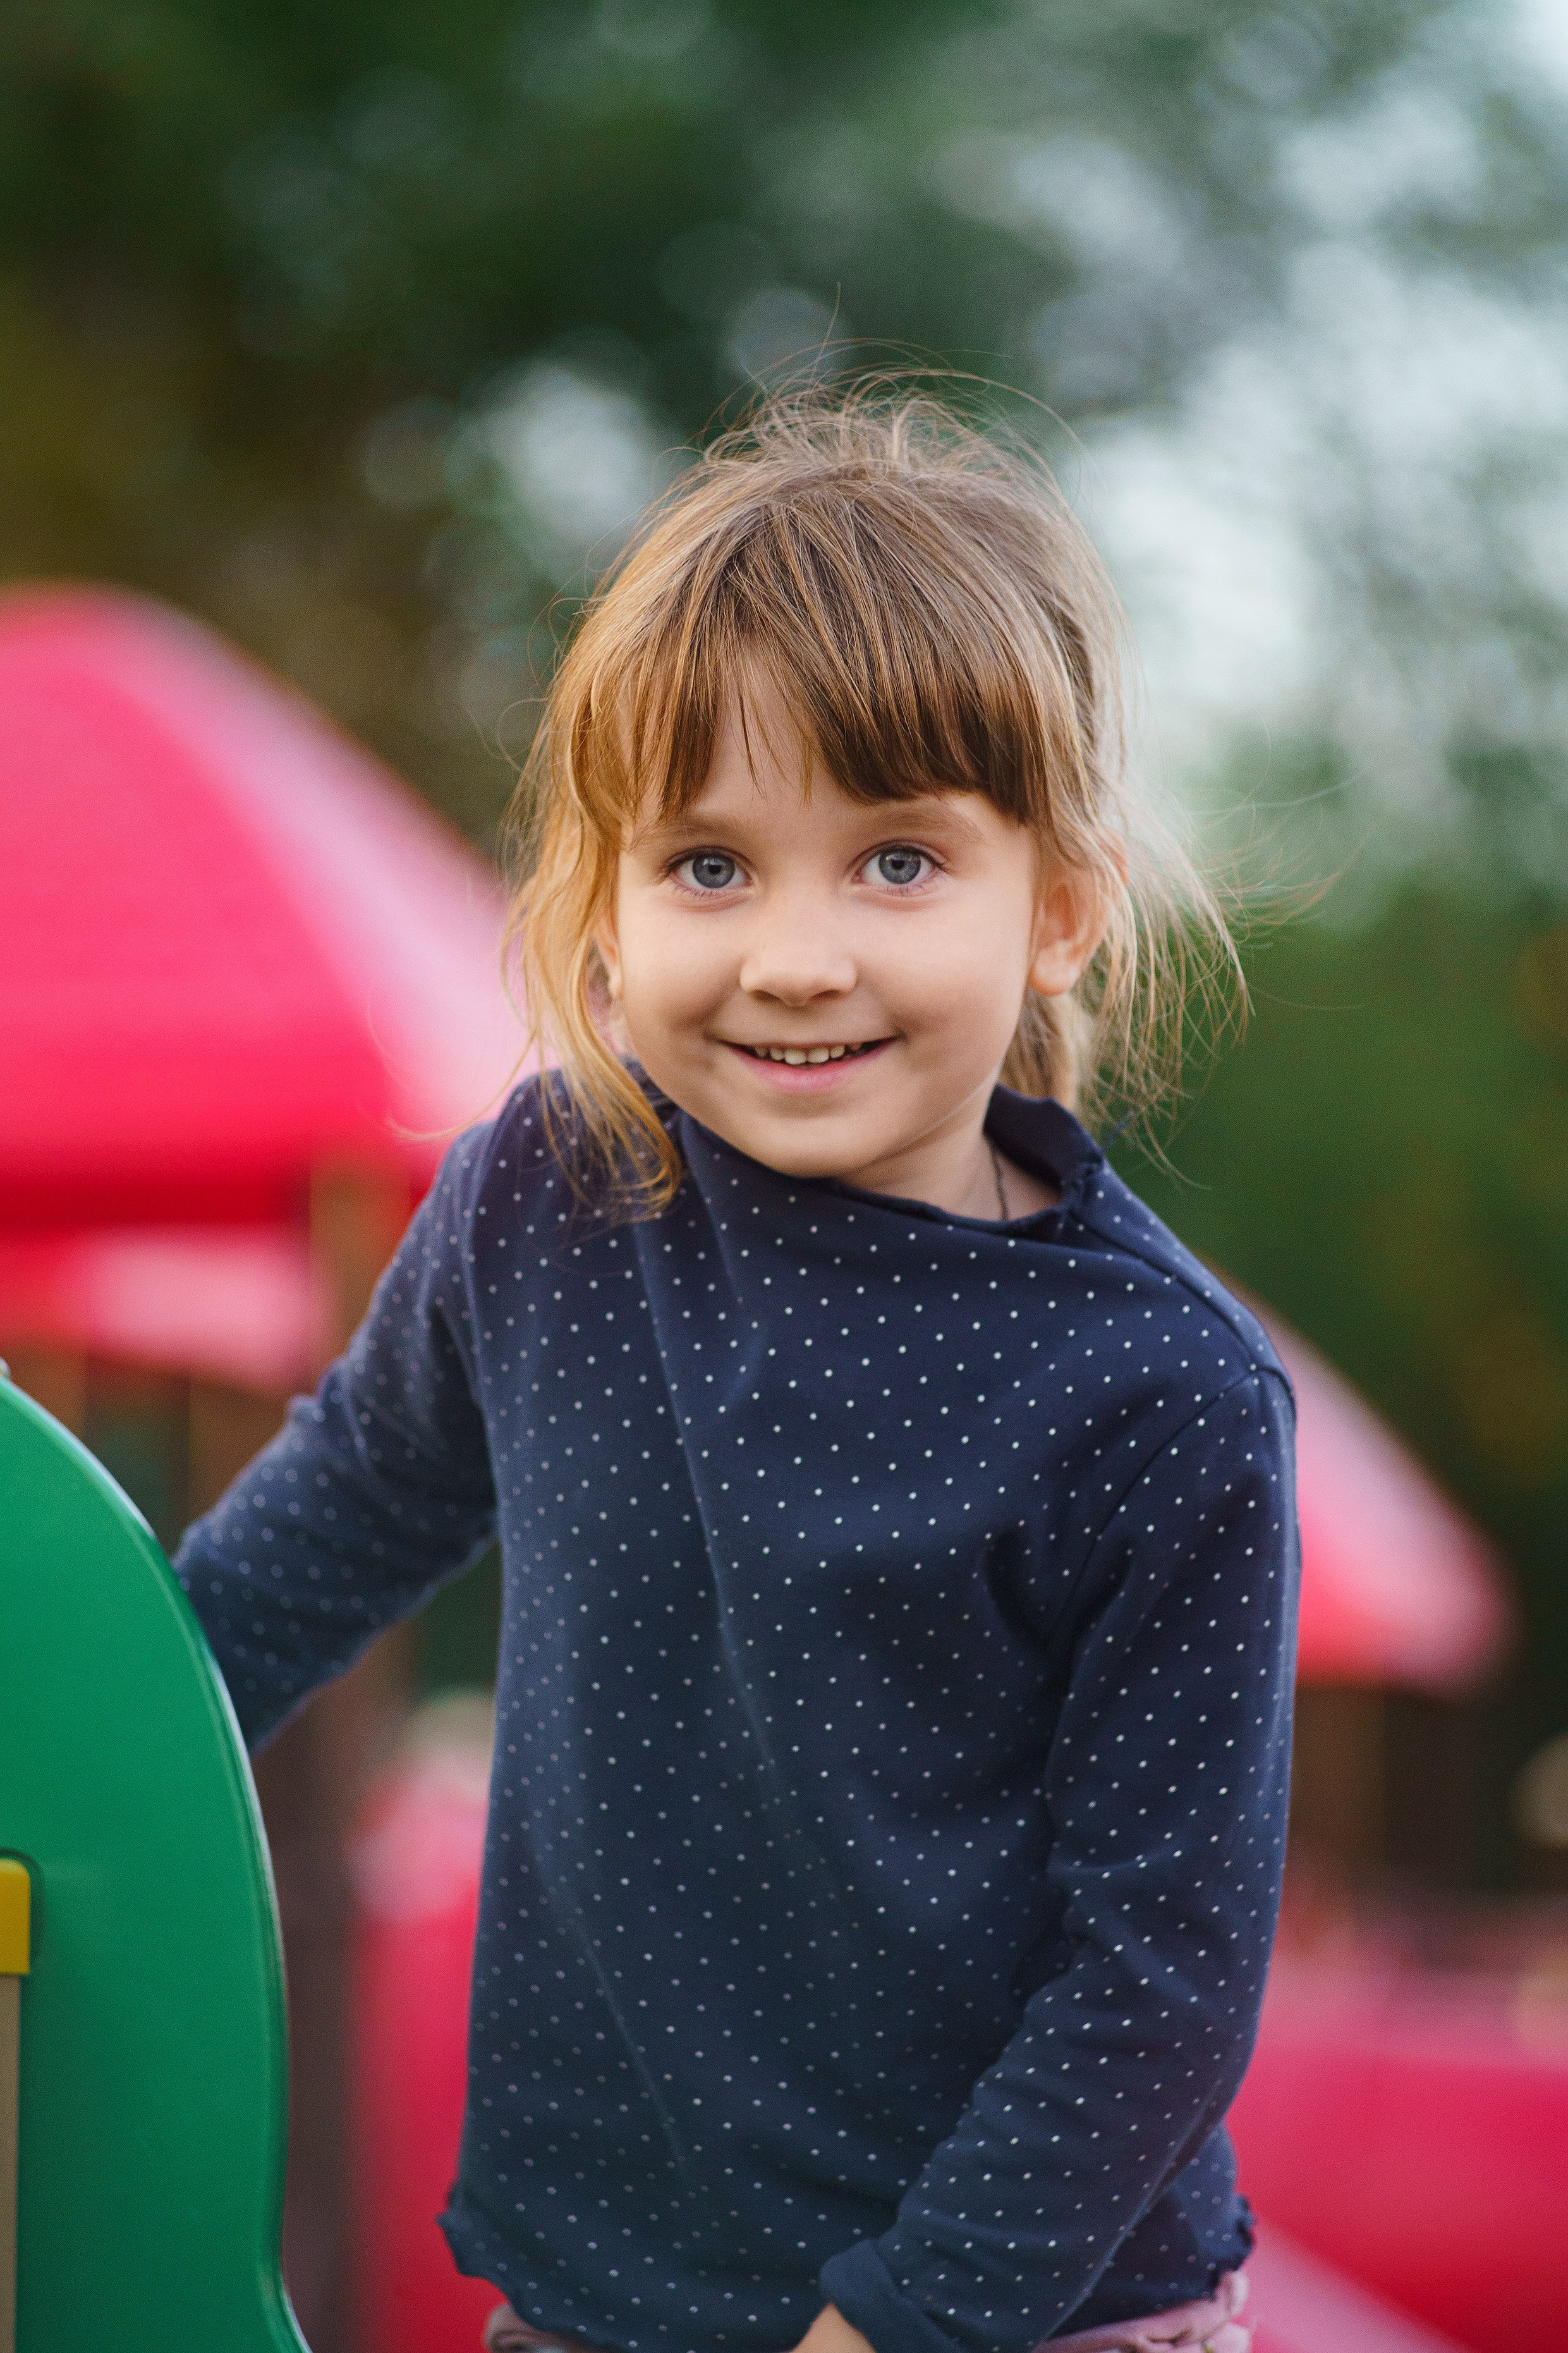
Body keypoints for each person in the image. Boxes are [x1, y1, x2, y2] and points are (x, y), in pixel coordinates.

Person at [175, 386, 1294, 2353]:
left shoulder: (1161, 1398)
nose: (792, 952)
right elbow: (317, 1535)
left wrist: (902, 2324)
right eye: (706, 864)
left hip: (1020, 2318)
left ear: (1058, 908)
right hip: (604, 2296)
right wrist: (67, 1756)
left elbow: (1162, 1967)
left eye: (891, 862)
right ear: (599, 912)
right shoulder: (544, 1194)